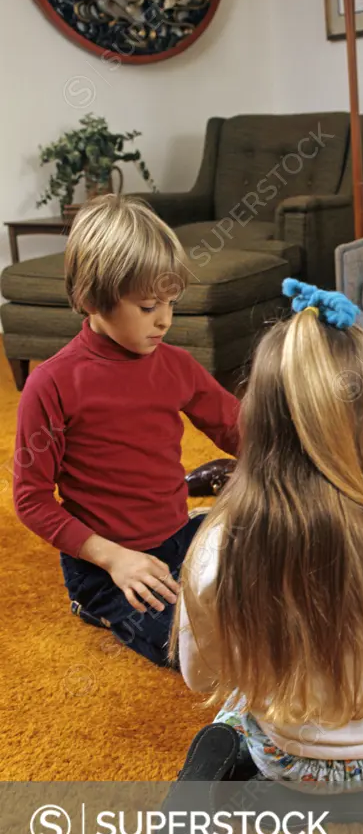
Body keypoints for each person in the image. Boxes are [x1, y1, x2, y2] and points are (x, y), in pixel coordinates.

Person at [170, 281, 363, 810]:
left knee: (237, 705)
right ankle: (341, 802)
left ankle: (233, 772)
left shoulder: (213, 544)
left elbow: (199, 675)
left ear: (255, 422)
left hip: (281, 752)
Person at [12, 194, 240, 668]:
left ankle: (196, 505)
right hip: (105, 567)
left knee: (268, 591)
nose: (165, 320)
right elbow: (31, 500)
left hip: (177, 537)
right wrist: (114, 559)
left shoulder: (176, 365)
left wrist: (309, 446)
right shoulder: (50, 384)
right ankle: (94, 603)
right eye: (149, 306)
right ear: (95, 297)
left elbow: (238, 427)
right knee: (199, 651)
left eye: (171, 303)